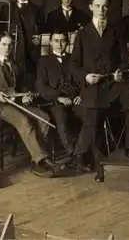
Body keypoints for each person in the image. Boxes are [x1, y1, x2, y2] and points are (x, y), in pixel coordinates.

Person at [70, 0, 129, 183]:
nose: (101, 10)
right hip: (93, 86)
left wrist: (120, 71)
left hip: (113, 83)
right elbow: (73, 65)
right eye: (97, 6)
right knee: (94, 119)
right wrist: (86, 77)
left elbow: (125, 61)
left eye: (104, 6)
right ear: (90, 7)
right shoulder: (82, 34)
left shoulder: (115, 31)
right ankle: (100, 163)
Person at [0, 32, 62, 178]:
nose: (7, 48)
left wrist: (26, 96)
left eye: (10, 45)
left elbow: (22, 87)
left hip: (17, 103)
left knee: (44, 119)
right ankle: (43, 160)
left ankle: (36, 160)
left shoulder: (15, 65)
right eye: (4, 44)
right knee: (24, 121)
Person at [36, 29, 82, 159]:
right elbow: (41, 86)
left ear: (67, 43)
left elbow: (82, 81)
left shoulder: (73, 60)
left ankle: (85, 149)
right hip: (55, 101)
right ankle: (72, 153)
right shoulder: (44, 61)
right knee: (61, 117)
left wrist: (80, 95)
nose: (59, 44)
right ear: (50, 42)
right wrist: (59, 97)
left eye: (62, 41)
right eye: (56, 41)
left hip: (75, 99)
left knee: (88, 113)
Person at [0, 0, 45, 84]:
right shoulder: (6, 7)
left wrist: (39, 38)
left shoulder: (37, 9)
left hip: (30, 52)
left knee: (29, 81)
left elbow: (42, 30)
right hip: (13, 50)